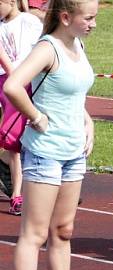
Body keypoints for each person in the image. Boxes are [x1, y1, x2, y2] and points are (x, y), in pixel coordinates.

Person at [5, 0, 100, 270]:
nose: (92, 23)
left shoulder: (78, 45)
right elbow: (13, 86)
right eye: (88, 18)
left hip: (73, 153)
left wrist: (87, 120)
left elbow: (75, 93)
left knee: (64, 230)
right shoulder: (48, 48)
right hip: (46, 153)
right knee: (34, 233)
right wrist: (35, 116)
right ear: (65, 17)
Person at [0, 0, 42, 216]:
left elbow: (42, 48)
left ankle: (23, 192)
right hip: (6, 82)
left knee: (21, 140)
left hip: (25, 81)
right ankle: (18, 194)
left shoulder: (29, 22)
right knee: (13, 140)